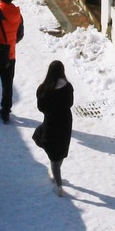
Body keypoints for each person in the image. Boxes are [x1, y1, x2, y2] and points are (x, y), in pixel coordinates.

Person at [32, 59, 74, 188]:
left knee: (52, 153)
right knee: (61, 149)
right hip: (65, 122)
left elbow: (41, 107)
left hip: (51, 123)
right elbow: (70, 104)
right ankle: (56, 175)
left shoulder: (43, 89)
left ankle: (58, 184)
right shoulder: (67, 87)